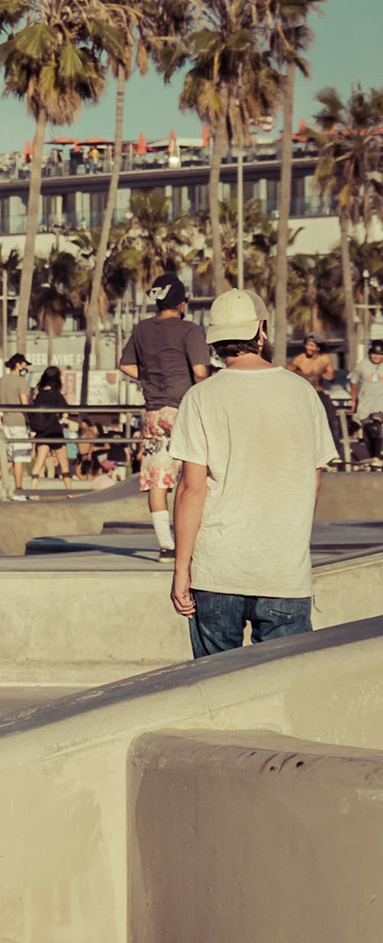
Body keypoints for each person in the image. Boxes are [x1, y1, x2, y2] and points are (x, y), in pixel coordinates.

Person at [169, 288, 337, 658]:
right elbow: (315, 478)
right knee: (281, 693)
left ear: (216, 340)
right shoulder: (302, 393)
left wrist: (182, 569)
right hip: (284, 572)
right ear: (260, 331)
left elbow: (191, 491)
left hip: (217, 571)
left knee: (217, 692)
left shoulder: (200, 397)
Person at [119, 273, 212, 560]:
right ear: (182, 303)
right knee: (197, 478)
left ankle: (166, 546)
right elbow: (199, 372)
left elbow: (125, 365)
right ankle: (197, 540)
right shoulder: (189, 330)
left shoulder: (142, 329)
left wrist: (150, 378)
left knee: (158, 480)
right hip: (184, 410)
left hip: (154, 413)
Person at [287, 332, 344, 448]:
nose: (308, 348)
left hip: (318, 392)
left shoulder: (325, 359)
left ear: (318, 347)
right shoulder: (298, 360)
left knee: (331, 420)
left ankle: (334, 451)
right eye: (307, 345)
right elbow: (286, 374)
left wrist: (330, 376)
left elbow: (332, 375)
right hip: (303, 395)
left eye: (312, 345)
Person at [0, 352, 33, 496]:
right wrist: (31, 419)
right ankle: (18, 491)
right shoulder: (20, 381)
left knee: (12, 456)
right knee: (19, 457)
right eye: (24, 364)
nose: (25, 367)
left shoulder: (1, 380)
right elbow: (24, 404)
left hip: (7, 423)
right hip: (19, 423)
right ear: (18, 364)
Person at [27, 366, 75, 485]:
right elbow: (65, 412)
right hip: (54, 431)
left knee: (39, 463)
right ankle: (70, 491)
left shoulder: (39, 395)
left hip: (42, 432)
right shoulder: (56, 395)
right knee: (64, 465)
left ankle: (32, 490)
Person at [353, 340, 383, 464]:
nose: (376, 357)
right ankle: (374, 457)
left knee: (376, 426)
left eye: (380, 354)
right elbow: (353, 382)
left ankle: (377, 457)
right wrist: (353, 400)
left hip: (380, 401)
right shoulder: (361, 366)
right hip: (365, 403)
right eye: (374, 354)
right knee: (368, 431)